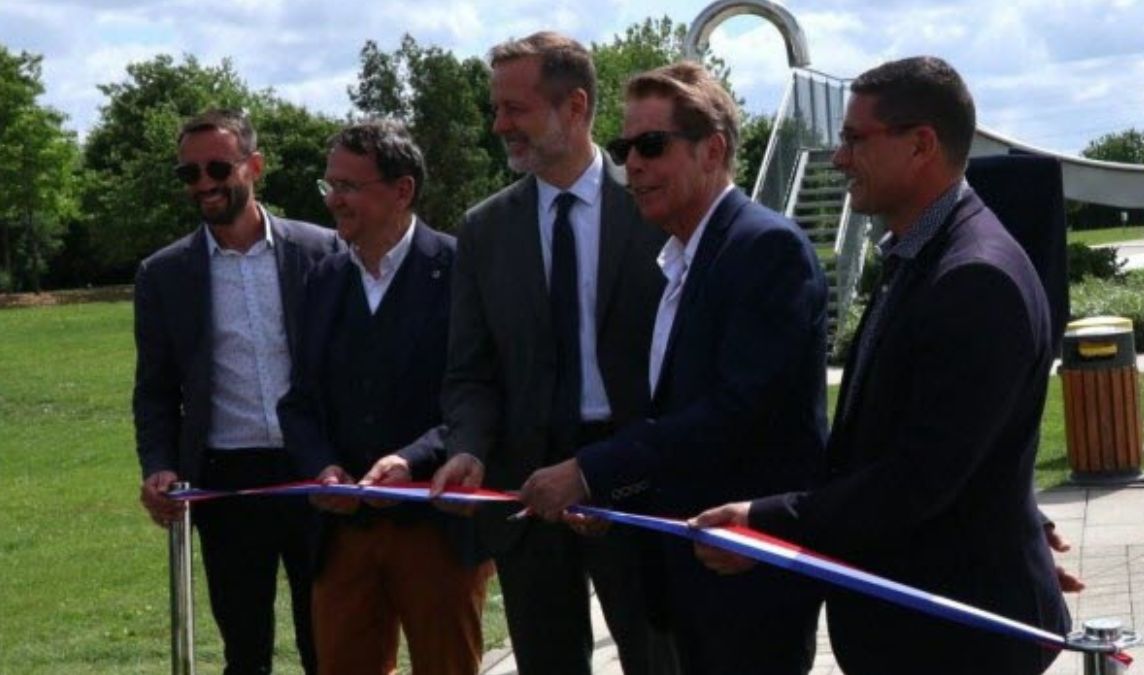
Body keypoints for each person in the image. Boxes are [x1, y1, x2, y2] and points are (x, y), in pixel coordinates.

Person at [693, 56, 1071, 674]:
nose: (838, 158)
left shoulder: (973, 278)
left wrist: (766, 521)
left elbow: (917, 480)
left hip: (954, 641)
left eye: (853, 139)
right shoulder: (927, 256)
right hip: (925, 630)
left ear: (921, 144)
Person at [521, 61, 828, 674]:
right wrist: (611, 489)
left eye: (652, 145)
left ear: (712, 150)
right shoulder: (684, 259)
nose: (631, 164)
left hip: (747, 578)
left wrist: (589, 470)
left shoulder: (764, 249)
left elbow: (735, 413)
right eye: (623, 146)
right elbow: (675, 415)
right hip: (695, 572)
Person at [430, 31, 678, 675]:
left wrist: (618, 470)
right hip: (524, 491)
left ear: (575, 106)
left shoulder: (657, 207)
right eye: (497, 108)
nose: (498, 125)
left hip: (639, 482)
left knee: (658, 661)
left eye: (514, 108)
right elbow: (470, 370)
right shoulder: (484, 230)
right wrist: (466, 448)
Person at [276, 120, 492, 675]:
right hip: (343, 535)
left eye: (348, 186)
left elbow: (479, 392)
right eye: (330, 186)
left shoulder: (461, 270)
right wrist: (321, 468)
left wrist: (412, 460)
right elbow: (298, 402)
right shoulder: (320, 281)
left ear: (402, 190)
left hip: (438, 529)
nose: (334, 200)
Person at [133, 108, 336, 674]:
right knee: (245, 652)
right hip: (226, 485)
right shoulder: (163, 273)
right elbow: (154, 389)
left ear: (255, 165)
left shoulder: (323, 252)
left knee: (330, 643)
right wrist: (159, 465)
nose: (203, 184)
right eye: (188, 174)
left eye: (217, 168)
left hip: (317, 474)